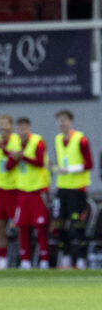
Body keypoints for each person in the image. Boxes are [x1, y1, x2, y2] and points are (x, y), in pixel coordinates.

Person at [8, 117, 50, 269]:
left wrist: (23, 156)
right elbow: (8, 166)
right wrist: (15, 158)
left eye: (24, 128)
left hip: (37, 191)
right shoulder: (14, 143)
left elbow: (39, 162)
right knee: (22, 227)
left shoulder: (37, 141)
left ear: (29, 129)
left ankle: (44, 259)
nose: (22, 132)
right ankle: (25, 260)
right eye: (19, 129)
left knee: (40, 227)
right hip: (22, 192)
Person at [53, 109, 93, 269]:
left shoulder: (80, 139)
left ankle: (81, 259)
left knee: (77, 225)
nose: (62, 123)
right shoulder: (57, 139)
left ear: (71, 122)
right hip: (62, 188)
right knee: (60, 224)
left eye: (65, 120)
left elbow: (89, 164)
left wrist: (69, 170)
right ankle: (67, 258)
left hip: (77, 189)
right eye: (60, 120)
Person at [0, 114, 21, 269]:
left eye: (5, 124)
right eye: (0, 124)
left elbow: (12, 161)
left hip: (14, 189)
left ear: (11, 125)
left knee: (18, 227)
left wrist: (1, 148)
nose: (3, 127)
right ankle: (2, 261)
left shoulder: (16, 140)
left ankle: (24, 259)